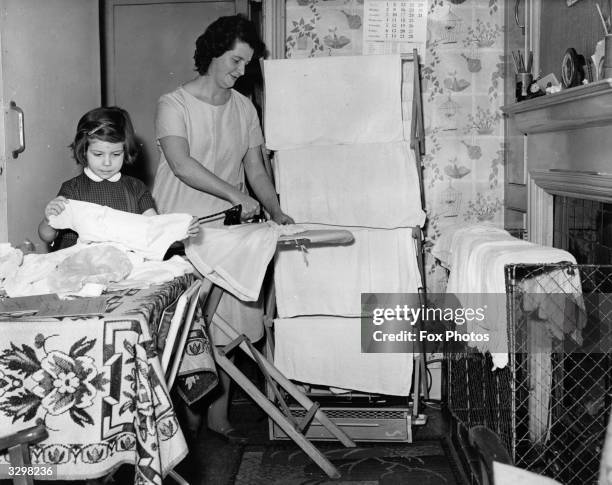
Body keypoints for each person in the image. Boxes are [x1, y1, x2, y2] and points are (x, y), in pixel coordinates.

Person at [152, 14, 293, 444]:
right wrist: (237, 197)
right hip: (182, 229)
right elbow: (182, 165)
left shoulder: (244, 107)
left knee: (228, 322)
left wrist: (275, 209)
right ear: (213, 53)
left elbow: (256, 168)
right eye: (235, 60)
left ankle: (217, 414)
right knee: (185, 326)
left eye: (246, 64)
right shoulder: (173, 104)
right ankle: (182, 416)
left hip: (228, 230)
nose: (240, 71)